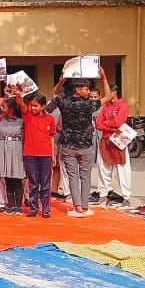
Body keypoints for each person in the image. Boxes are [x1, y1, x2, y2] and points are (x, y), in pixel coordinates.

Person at [47, 76, 97, 217]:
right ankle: (85, 206)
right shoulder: (89, 105)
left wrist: (61, 81)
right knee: (85, 176)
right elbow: (108, 97)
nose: (89, 92)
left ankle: (78, 206)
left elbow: (54, 94)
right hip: (85, 145)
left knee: (73, 176)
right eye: (87, 89)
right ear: (78, 89)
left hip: (68, 145)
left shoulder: (65, 103)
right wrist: (104, 78)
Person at [94, 74, 131, 207]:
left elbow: (118, 122)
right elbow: (98, 124)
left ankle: (126, 196)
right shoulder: (104, 108)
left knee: (122, 169)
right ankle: (103, 195)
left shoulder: (123, 106)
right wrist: (112, 126)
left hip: (119, 140)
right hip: (105, 140)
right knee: (103, 168)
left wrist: (108, 124)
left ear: (113, 93)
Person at [19, 93, 56, 218]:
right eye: (31, 106)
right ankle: (34, 208)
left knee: (45, 184)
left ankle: (46, 209)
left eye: (35, 106)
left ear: (43, 106)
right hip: (29, 154)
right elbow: (21, 104)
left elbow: (51, 137)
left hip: (46, 155)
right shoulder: (27, 116)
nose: (32, 108)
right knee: (33, 183)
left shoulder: (50, 119)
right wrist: (17, 93)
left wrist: (53, 155)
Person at [0, 97, 27, 214]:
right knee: (7, 179)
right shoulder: (1, 119)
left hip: (16, 148)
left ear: (11, 109)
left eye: (4, 107)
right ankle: (11, 206)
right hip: (3, 148)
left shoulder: (21, 121)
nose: (2, 109)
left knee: (17, 178)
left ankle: (19, 207)